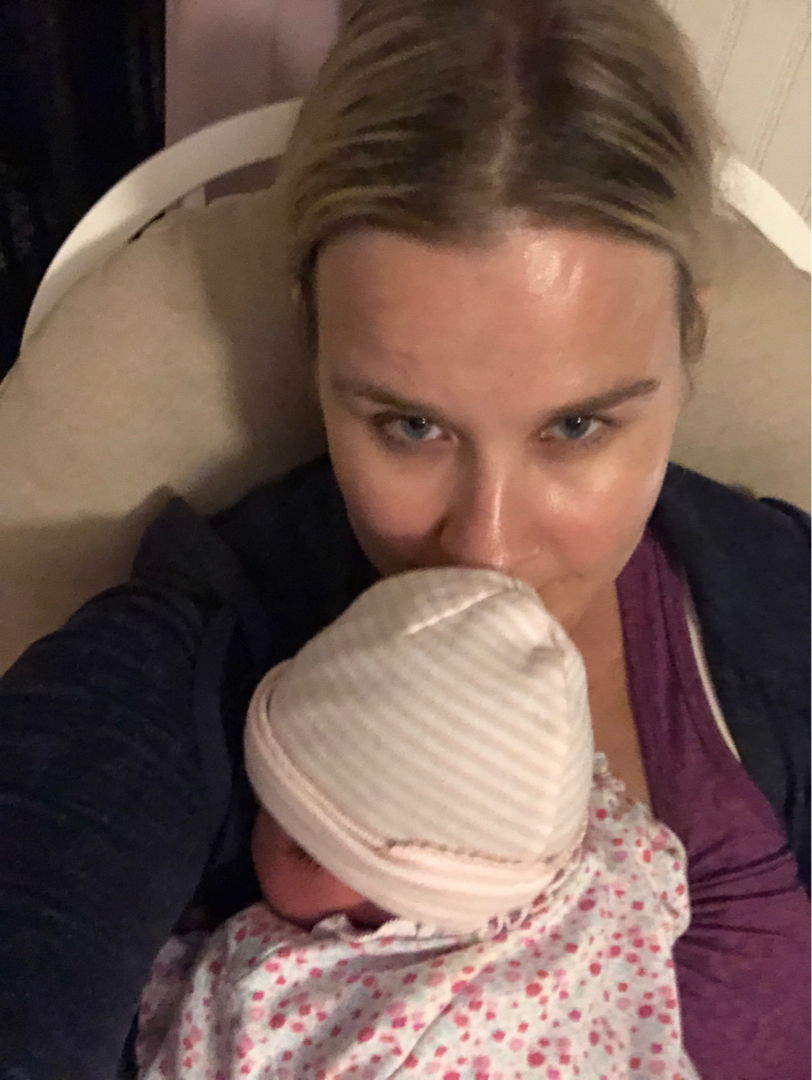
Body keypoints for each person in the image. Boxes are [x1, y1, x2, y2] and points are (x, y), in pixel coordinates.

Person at [0, 0, 808, 1078]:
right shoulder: (188, 661)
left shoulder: (782, 606)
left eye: (576, 427)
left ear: (687, 339)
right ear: (314, 344)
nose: (487, 547)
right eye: (408, 427)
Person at [135, 567, 698, 1080]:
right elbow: (663, 871)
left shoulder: (278, 988)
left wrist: (176, 955)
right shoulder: (616, 863)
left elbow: (173, 1046)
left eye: (273, 813)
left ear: (321, 861)